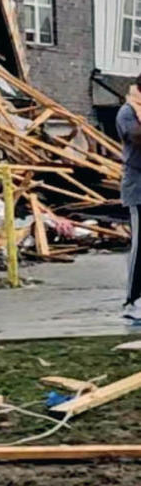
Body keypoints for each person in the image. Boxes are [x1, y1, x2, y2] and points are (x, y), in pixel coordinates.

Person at [115, 77, 141, 318]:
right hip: (139, 189)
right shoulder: (128, 111)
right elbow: (136, 137)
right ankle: (133, 300)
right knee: (140, 245)